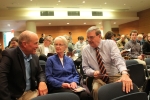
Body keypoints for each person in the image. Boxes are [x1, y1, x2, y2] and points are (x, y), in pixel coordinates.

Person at [82, 26, 133, 100]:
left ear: (99, 36)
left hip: (114, 75)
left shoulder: (110, 44)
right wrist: (93, 72)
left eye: (91, 37)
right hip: (99, 78)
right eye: (88, 37)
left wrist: (124, 73)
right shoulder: (85, 50)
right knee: (96, 90)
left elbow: (117, 58)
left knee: (126, 87)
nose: (89, 40)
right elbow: (85, 68)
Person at [0, 30, 48, 100]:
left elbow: (40, 72)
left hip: (30, 93)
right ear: (24, 44)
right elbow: (1, 77)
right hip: (15, 95)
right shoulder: (9, 54)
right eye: (35, 43)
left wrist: (42, 81)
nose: (37, 46)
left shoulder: (34, 57)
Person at [45, 36, 92, 100]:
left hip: (71, 86)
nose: (57, 46)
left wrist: (74, 82)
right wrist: (62, 84)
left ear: (65, 47)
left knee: (86, 95)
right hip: (58, 87)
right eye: (56, 44)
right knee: (73, 96)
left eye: (60, 44)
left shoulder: (69, 60)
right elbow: (49, 77)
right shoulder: (50, 60)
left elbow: (75, 74)